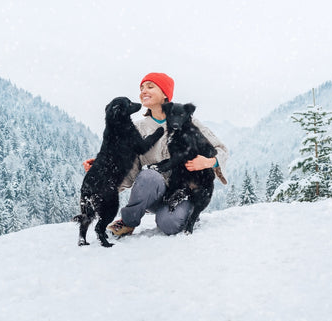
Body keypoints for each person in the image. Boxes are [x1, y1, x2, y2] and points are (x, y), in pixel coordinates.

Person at [83, 72, 228, 237]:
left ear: (165, 94)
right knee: (149, 176)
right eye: (141, 88)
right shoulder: (137, 129)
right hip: (154, 191)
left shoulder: (188, 121)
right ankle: (128, 222)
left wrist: (209, 162)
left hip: (183, 191)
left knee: (169, 224)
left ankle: (184, 212)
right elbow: (129, 167)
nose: (143, 91)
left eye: (150, 87)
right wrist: (103, 170)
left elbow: (221, 149)